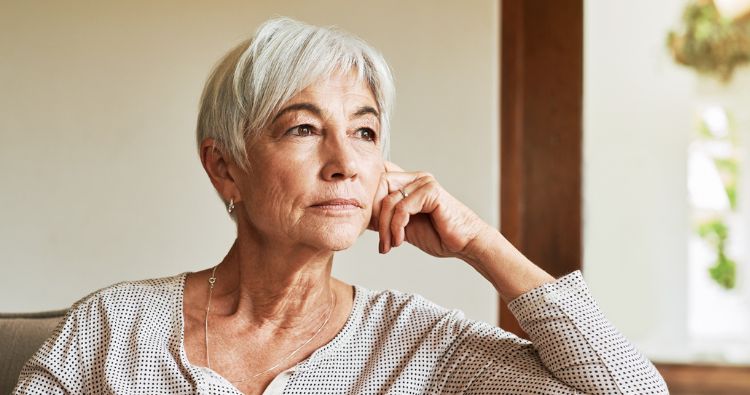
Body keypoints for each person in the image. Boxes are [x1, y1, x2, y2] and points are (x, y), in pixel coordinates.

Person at [14, 17, 668, 395]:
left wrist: (480, 242)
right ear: (224, 167)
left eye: (364, 131)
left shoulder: (417, 345)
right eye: (302, 127)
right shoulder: (111, 329)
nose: (345, 160)